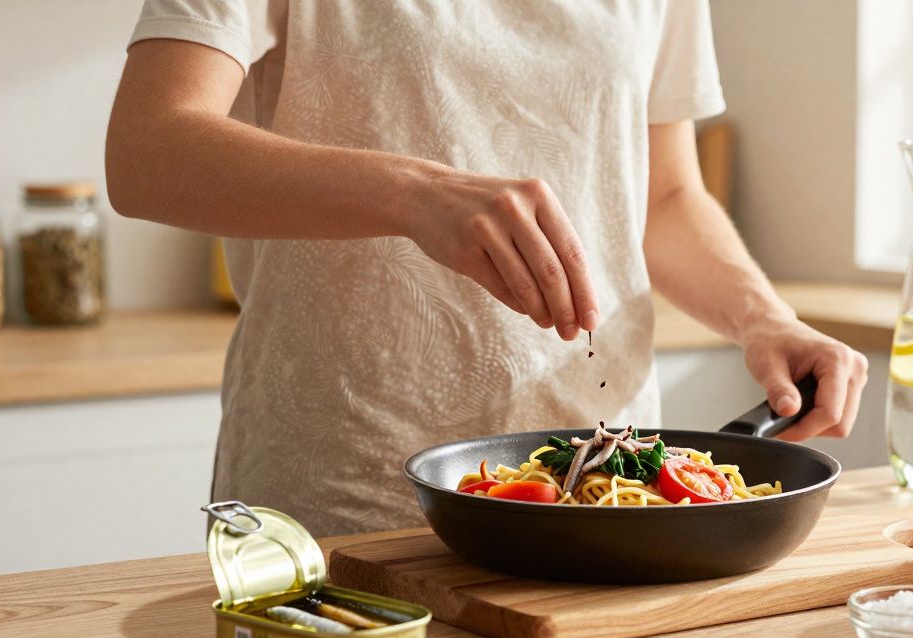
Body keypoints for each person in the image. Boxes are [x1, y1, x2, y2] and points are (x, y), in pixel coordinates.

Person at [107, 0, 869, 536]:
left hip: (605, 499)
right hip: (345, 490)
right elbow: (148, 151)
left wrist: (764, 318)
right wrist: (414, 193)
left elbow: (662, 193)